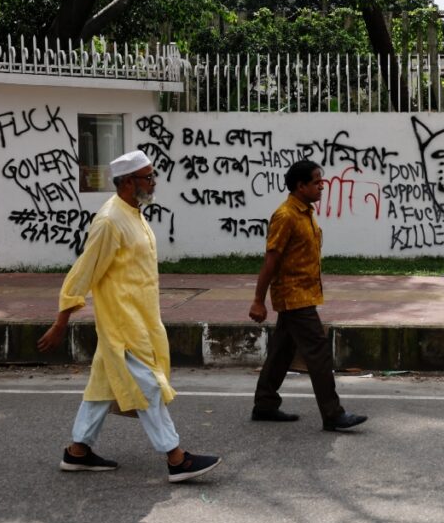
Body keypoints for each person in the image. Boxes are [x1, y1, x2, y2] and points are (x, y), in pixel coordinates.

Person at [38, 150, 222, 482]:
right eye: (147, 177)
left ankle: (77, 451)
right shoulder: (110, 221)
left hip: (141, 317)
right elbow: (84, 272)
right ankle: (176, 458)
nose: (153, 183)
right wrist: (60, 321)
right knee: (148, 387)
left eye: (153, 176)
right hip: (123, 323)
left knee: (101, 386)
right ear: (126, 182)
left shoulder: (133, 213)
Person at [248, 160, 368, 431]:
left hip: (304, 293)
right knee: (319, 353)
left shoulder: (305, 212)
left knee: (282, 351)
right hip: (294, 297)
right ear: (300, 186)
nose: (321, 186)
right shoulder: (286, 215)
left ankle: (265, 404)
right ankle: (333, 414)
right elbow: (271, 260)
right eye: (316, 181)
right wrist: (258, 300)